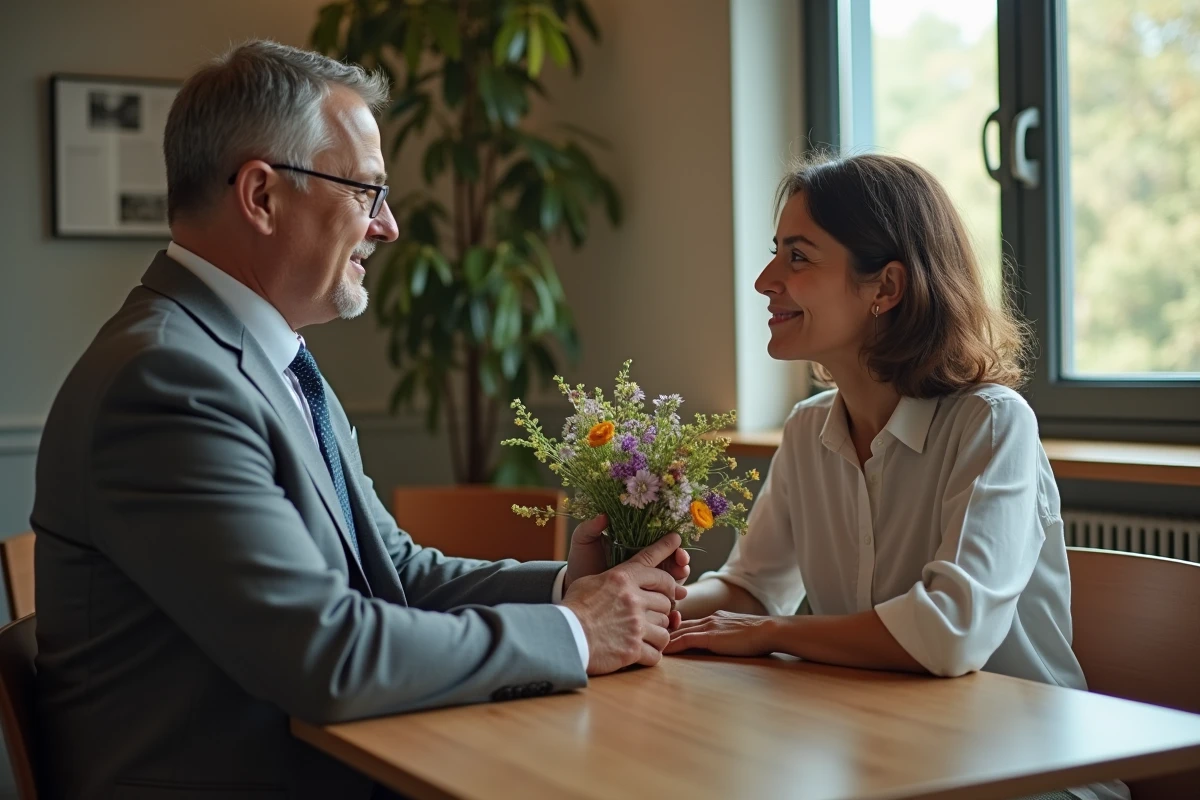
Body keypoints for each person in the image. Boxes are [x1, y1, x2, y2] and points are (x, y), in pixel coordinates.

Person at [31, 40, 687, 800]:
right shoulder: (167, 383)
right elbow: (325, 654)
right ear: (261, 195)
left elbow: (394, 573)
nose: (389, 227)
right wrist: (577, 632)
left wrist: (572, 587)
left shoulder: (263, 359)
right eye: (366, 192)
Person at [666, 154, 1128, 800]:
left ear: (885, 288)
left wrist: (773, 633)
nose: (766, 280)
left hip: (1026, 775)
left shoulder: (991, 426)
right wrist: (640, 610)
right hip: (887, 758)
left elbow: (948, 634)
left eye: (797, 258)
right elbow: (750, 591)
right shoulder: (806, 432)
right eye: (776, 253)